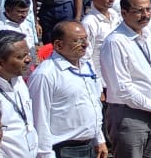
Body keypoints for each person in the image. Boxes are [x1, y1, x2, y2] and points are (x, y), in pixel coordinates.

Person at [100, 0, 151, 158]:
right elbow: (122, 87)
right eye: (139, 11)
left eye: (148, 9)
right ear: (124, 13)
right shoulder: (115, 42)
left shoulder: (147, 34)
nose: (145, 15)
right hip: (129, 114)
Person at [29, 21, 107, 158]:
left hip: (90, 146)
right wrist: (45, 155)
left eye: (85, 39)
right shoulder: (45, 75)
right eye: (78, 41)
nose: (86, 44)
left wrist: (99, 139)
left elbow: (94, 104)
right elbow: (39, 120)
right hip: (64, 149)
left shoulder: (86, 66)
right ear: (59, 45)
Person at [82, 0, 120, 76]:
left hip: (118, 71)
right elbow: (86, 55)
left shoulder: (114, 15)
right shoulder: (89, 22)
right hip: (100, 75)